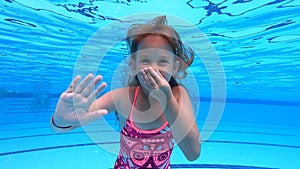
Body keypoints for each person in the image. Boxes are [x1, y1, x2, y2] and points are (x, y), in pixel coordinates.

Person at [50, 15, 200, 169]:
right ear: (133, 65)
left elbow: (193, 153)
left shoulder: (178, 96)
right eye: (145, 60)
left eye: (163, 61)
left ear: (174, 67)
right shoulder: (123, 97)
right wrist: (60, 120)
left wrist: (167, 100)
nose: (153, 68)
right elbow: (68, 123)